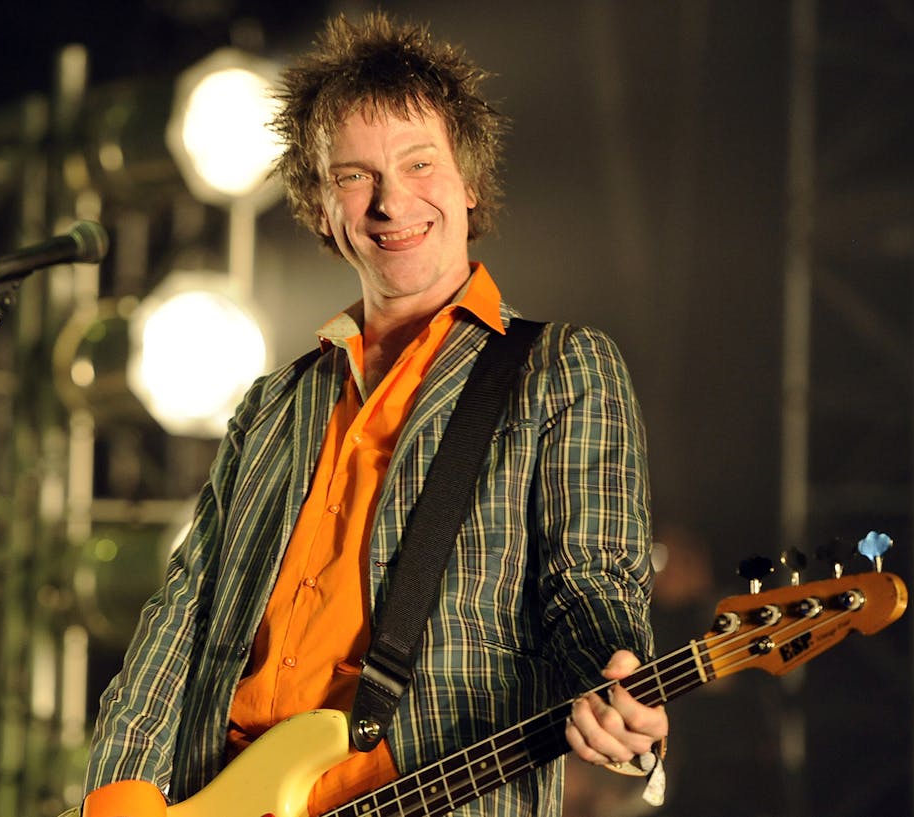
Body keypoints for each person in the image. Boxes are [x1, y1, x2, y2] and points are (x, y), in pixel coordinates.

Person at [80, 12, 667, 817]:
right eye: (354, 175)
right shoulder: (274, 404)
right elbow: (186, 608)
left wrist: (613, 680)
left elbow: (592, 582)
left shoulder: (558, 368)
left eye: (420, 163)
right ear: (321, 208)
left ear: (469, 181)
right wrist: (121, 791)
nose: (392, 200)